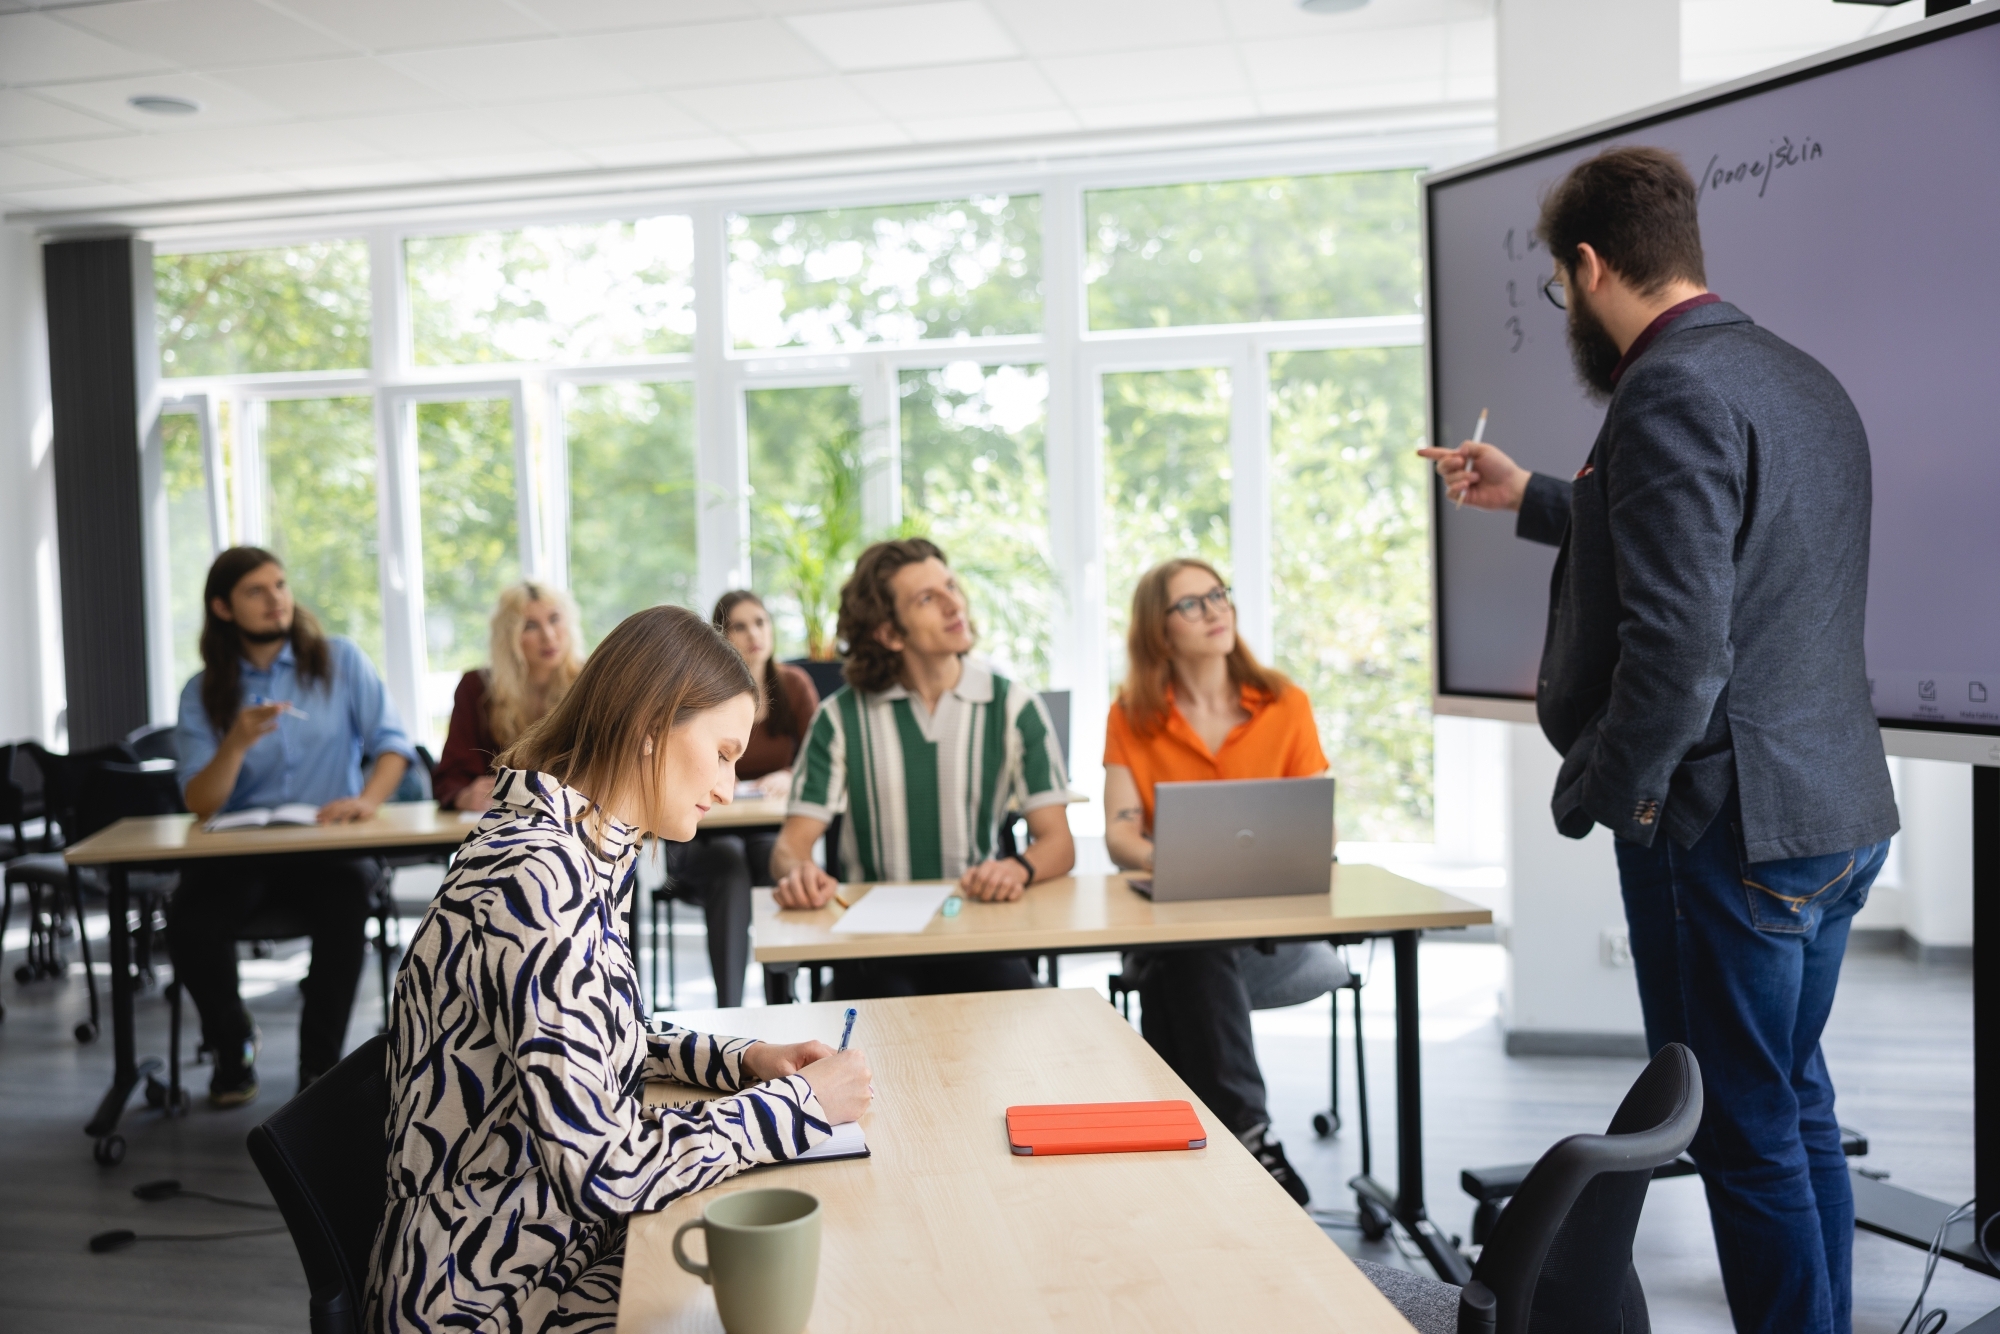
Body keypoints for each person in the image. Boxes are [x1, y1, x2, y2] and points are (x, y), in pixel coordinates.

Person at [1419, 147, 1898, 1334]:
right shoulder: (1792, 375)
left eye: (1552, 286)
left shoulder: (1664, 389)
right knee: (1788, 1100)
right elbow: (1712, 534)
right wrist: (1530, 491)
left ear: (1587, 268)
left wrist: (1603, 792)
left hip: (1727, 824)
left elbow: (1681, 650)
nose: (1562, 307)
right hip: (1832, 811)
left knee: (1739, 1132)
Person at [367, 605, 873, 1334]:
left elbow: (605, 1033)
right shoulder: (537, 880)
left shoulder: (573, 848)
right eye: (724, 753)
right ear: (652, 725)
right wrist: (800, 1107)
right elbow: (605, 1173)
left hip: (541, 1251)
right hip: (490, 1294)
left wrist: (748, 1060)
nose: (730, 787)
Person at [1102, 557, 1328, 1206]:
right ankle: (1248, 1139)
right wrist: (1184, 870)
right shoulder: (1131, 715)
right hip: (1175, 931)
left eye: (1219, 595)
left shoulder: (1284, 703)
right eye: (1192, 604)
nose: (1216, 610)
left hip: (1274, 944)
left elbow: (1319, 828)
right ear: (1159, 631)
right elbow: (1120, 835)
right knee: (1187, 949)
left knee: (1179, 964)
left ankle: (1207, 1148)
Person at [770, 538, 1076, 998]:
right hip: (872, 950)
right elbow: (787, 851)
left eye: (951, 586)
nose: (956, 604)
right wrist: (800, 874)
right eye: (928, 598)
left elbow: (1059, 843)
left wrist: (1017, 869)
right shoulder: (839, 718)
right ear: (891, 634)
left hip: (980, 934)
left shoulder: (1014, 706)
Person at [171, 547, 415, 1106]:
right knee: (189, 918)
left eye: (280, 585)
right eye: (256, 590)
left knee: (348, 898)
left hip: (327, 845)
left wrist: (366, 799)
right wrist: (234, 742)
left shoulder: (340, 661)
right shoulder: (202, 690)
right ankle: (233, 1044)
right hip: (241, 854)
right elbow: (200, 802)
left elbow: (393, 746)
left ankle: (319, 1070)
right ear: (222, 607)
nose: (275, 599)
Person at [654, 591, 819, 1007]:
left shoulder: (794, 684)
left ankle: (782, 1005)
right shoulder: (701, 692)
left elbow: (822, 760)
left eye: (761, 622)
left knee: (772, 859)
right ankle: (729, 1009)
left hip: (763, 830)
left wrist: (790, 773)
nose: (754, 634)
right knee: (729, 864)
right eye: (740, 626)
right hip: (700, 837)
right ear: (721, 636)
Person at [432, 582, 585, 811]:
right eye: (530, 626)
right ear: (509, 637)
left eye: (554, 619)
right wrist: (465, 796)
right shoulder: (476, 688)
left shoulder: (590, 682)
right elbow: (451, 777)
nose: (549, 636)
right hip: (500, 830)